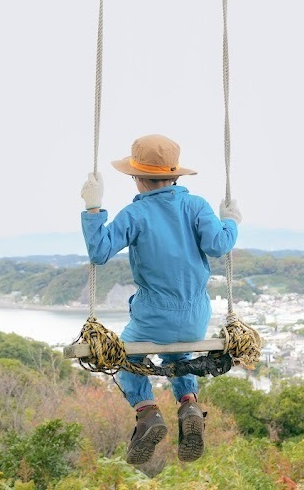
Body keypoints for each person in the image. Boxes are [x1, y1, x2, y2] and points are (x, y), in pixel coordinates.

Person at [80, 134, 242, 466]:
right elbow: (219, 245)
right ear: (176, 175)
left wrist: (93, 207)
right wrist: (231, 221)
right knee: (180, 353)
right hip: (196, 315)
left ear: (137, 178)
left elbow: (99, 252)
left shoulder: (135, 214)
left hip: (153, 316)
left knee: (126, 359)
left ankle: (148, 413)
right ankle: (189, 404)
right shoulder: (196, 206)